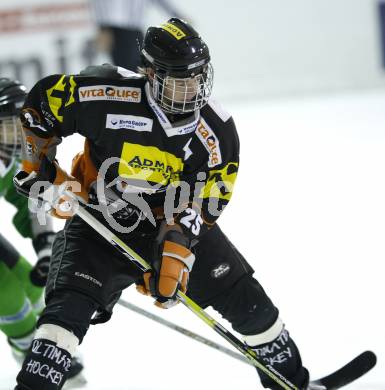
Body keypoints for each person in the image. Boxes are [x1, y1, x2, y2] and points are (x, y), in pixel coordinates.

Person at [13, 18, 318, 390]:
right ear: (151, 74)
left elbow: (207, 200)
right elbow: (43, 103)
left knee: (250, 304)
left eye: (197, 77)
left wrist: (176, 251)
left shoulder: (216, 131)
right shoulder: (108, 95)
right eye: (179, 79)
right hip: (98, 221)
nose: (192, 89)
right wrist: (38, 164)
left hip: (165, 221)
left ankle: (294, 382)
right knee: (63, 318)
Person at [0, 78, 84, 381]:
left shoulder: (9, 160)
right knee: (6, 295)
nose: (18, 132)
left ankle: (36, 346)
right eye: (9, 124)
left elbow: (28, 206)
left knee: (34, 287)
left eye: (20, 122)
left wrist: (46, 250)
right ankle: (27, 350)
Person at [90, 0, 182, 70]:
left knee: (141, 68)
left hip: (136, 31)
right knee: (124, 71)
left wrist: (177, 16)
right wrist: (103, 28)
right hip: (115, 30)